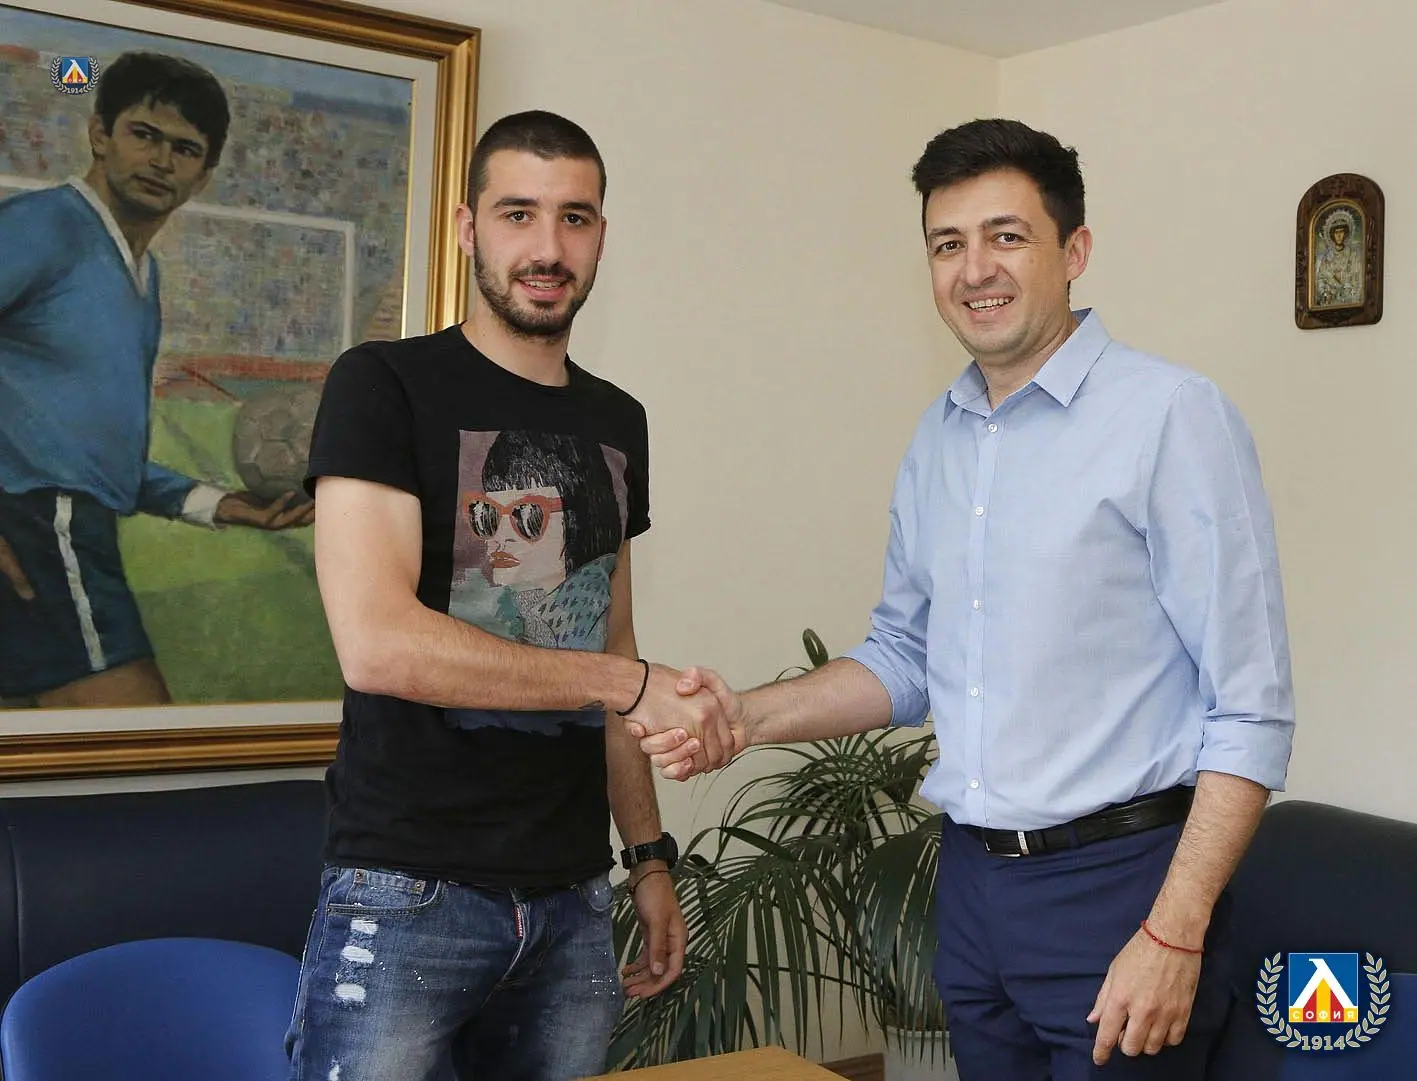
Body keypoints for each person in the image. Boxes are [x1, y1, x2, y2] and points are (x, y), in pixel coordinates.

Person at [638, 118, 1295, 1080]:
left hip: (1122, 890)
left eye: (1005, 236)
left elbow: (1251, 707)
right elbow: (905, 657)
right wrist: (744, 715)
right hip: (973, 891)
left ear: (1073, 250)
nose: (974, 268)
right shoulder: (938, 438)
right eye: (947, 243)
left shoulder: (1170, 416)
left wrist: (1174, 928)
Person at [286, 110, 733, 1081]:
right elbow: (377, 643)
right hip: (406, 890)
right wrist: (626, 682)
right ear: (467, 228)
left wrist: (647, 855)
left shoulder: (618, 420)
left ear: (601, 235)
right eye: (517, 213)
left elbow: (613, 641)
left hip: (573, 899)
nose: (547, 248)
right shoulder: (383, 383)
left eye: (574, 218)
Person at [0, 51, 313, 710]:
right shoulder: (42, 226)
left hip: (68, 530)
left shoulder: (145, 276)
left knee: (44, 760)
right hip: (43, 531)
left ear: (204, 174)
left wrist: (219, 505)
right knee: (143, 741)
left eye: (184, 148)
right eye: (144, 134)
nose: (161, 160)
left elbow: (94, 456)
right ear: (99, 133)